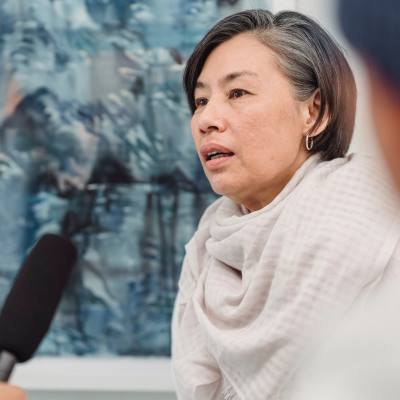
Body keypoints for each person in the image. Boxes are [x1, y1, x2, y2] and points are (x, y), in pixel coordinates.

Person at [171, 9, 400, 400]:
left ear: (315, 111)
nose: (207, 118)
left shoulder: (374, 218)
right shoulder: (209, 246)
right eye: (200, 100)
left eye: (237, 93)